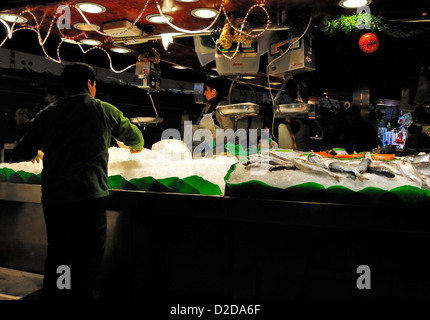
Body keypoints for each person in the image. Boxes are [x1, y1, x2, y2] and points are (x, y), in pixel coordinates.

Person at [15, 62, 144, 300]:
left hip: (55, 200)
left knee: (59, 254)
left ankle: (59, 295)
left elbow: (22, 151)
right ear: (89, 84)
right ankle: (82, 298)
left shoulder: (48, 114)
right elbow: (135, 136)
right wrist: (135, 147)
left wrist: (36, 152)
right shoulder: (103, 110)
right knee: (87, 256)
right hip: (87, 198)